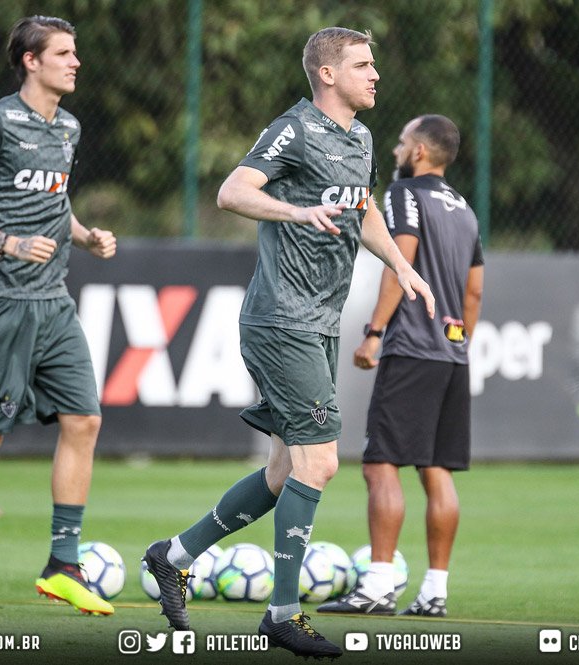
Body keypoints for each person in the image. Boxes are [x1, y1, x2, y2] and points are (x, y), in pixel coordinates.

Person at [142, 27, 435, 658]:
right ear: (327, 74)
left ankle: (175, 555)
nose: (375, 74)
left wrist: (400, 264)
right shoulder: (294, 129)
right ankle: (281, 613)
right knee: (319, 462)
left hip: (318, 322)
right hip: (282, 320)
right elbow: (232, 191)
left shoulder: (361, 137)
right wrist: (296, 211)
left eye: (374, 64)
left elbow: (363, 209)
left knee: (283, 471)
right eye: (362, 64)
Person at [0, 15, 116, 618]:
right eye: (63, 53)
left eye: (75, 52)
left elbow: (52, 200)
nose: (76, 62)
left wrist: (84, 235)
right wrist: (7, 242)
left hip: (52, 300)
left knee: (84, 420)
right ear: (31, 61)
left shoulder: (68, 125)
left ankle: (63, 566)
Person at [317, 115, 484, 618]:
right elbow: (474, 291)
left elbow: (400, 264)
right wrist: (459, 343)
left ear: (419, 152)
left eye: (401, 142)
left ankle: (377, 587)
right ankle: (435, 592)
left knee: (380, 464)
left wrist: (374, 332)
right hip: (451, 353)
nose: (394, 150)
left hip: (411, 347)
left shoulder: (404, 195)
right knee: (436, 471)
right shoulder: (465, 208)